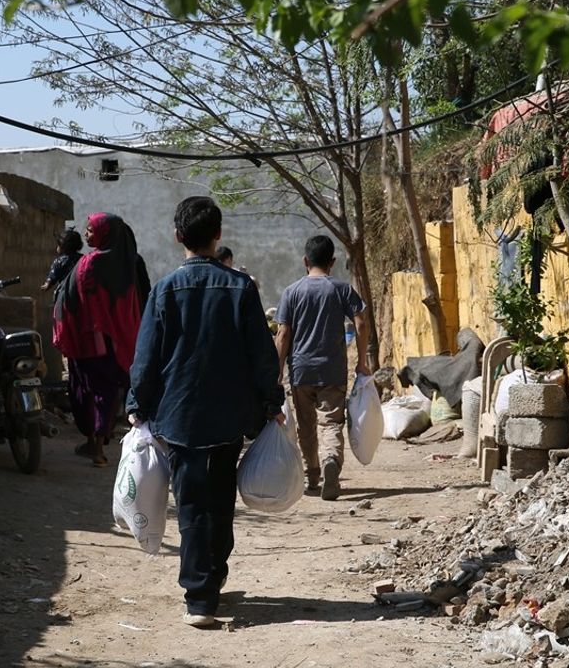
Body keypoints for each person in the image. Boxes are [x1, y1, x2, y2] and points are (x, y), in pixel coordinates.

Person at [127, 196, 283, 629]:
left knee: (193, 504)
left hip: (178, 417)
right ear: (218, 234)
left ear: (179, 236)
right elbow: (262, 355)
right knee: (220, 500)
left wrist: (137, 403)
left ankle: (200, 595)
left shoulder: (163, 290)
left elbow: (147, 356)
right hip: (229, 416)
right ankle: (211, 579)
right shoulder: (241, 288)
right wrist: (271, 402)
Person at [275, 235, 371, 501]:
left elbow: (283, 334)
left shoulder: (292, 292)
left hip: (301, 370)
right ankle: (331, 461)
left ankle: (313, 476)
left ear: (305, 261)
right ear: (333, 262)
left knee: (306, 426)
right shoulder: (340, 289)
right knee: (330, 423)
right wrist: (362, 361)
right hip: (332, 370)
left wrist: (277, 370)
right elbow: (361, 323)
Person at [54, 213, 146, 466]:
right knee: (108, 392)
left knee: (85, 390)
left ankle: (94, 444)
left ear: (106, 234)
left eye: (91, 230)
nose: (86, 234)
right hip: (118, 342)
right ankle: (99, 444)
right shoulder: (129, 263)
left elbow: (74, 300)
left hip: (88, 341)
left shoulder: (89, 263)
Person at [41, 228, 84, 297]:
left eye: (58, 245)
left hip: (64, 293)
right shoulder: (83, 259)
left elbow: (53, 275)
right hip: (79, 292)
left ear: (63, 247)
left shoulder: (60, 261)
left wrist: (47, 284)